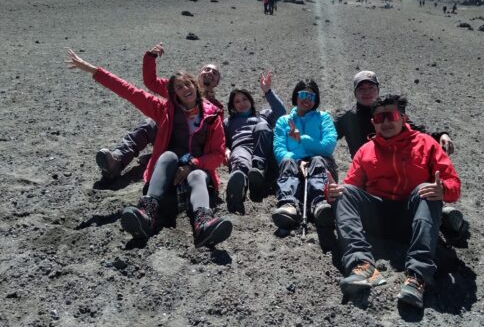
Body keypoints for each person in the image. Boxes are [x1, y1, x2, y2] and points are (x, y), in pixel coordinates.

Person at [66, 48, 231, 248]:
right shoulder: (164, 109)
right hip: (167, 172)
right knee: (168, 155)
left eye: (187, 84)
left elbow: (218, 154)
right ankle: (146, 215)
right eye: (179, 87)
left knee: (197, 175)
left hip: (195, 175)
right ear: (174, 94)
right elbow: (129, 91)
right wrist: (92, 70)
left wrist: (194, 163)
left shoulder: (214, 115)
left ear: (195, 85)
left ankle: (203, 225)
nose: (185, 88)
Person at [328, 94, 461, 308]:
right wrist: (333, 192)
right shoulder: (366, 150)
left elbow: (453, 184)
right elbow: (352, 187)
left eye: (391, 116)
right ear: (374, 123)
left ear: (403, 118)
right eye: (380, 118)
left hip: (413, 218)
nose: (386, 122)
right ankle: (362, 266)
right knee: (345, 191)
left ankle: (418, 277)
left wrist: (443, 189)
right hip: (377, 218)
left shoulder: (426, 144)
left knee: (426, 191)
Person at [96, 44, 222, 181]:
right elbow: (151, 82)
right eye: (207, 69)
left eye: (214, 73)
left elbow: (215, 141)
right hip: (167, 136)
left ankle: (156, 158)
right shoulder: (178, 86)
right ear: (199, 74)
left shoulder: (215, 109)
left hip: (191, 152)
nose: (210, 73)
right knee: (150, 124)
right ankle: (117, 160)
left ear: (216, 82)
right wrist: (150, 57)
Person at [271, 79, 337, 231]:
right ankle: (288, 205)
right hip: (293, 165)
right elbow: (279, 150)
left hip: (321, 165)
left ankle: (320, 204)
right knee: (287, 161)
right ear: (296, 96)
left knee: (318, 159)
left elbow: (328, 147)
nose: (307, 99)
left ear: (316, 100)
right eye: (303, 94)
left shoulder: (324, 118)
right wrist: (299, 160)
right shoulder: (284, 121)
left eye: (312, 96)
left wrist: (302, 139)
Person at [223, 71, 286, 213]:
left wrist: (268, 91)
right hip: (242, 147)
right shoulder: (228, 122)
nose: (242, 103)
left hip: (263, 150)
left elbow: (281, 112)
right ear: (232, 106)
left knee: (263, 126)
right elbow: (223, 141)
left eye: (244, 99)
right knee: (239, 156)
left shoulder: (263, 115)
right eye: (237, 101)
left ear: (251, 101)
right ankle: (238, 189)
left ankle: (259, 170)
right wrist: (226, 150)